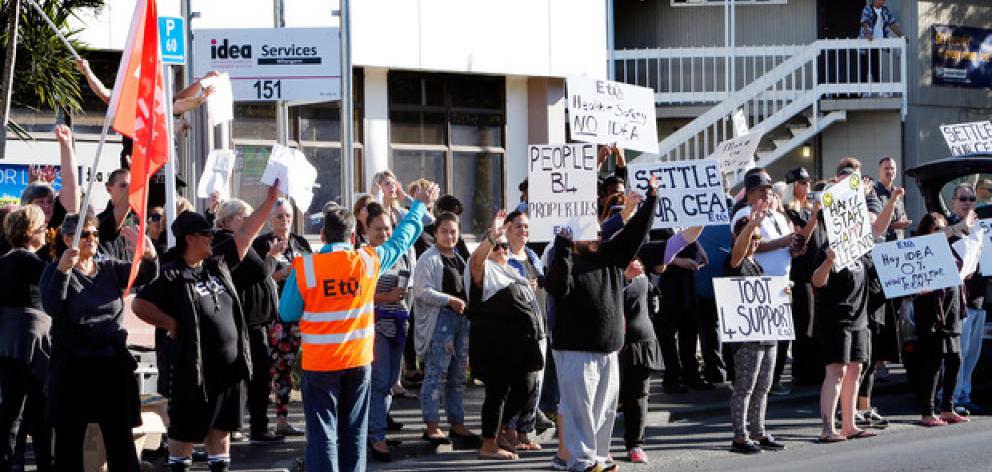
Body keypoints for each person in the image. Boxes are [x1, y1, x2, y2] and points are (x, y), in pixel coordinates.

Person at [279, 183, 436, 472]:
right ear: (353, 236)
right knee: (353, 432)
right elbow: (402, 240)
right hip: (357, 361)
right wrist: (418, 206)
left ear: (323, 235)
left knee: (323, 433)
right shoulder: (367, 261)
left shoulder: (306, 267)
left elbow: (286, 312)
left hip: (320, 364)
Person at [131, 183, 279, 472]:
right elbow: (140, 304)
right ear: (189, 238)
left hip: (227, 370)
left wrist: (269, 201)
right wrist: (170, 322)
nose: (212, 239)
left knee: (221, 430)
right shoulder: (173, 273)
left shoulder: (216, 264)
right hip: (191, 371)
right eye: (206, 235)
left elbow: (245, 234)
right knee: (184, 431)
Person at [547, 178, 657, 472]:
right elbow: (557, 285)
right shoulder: (564, 258)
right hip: (575, 349)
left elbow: (636, 232)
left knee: (604, 409)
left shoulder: (611, 255)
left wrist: (651, 199)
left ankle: (596, 456)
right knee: (578, 410)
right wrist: (563, 245)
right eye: (587, 231)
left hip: (608, 349)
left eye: (596, 229)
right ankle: (580, 462)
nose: (595, 234)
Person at [40, 213, 158, 471]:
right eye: (84, 234)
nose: (91, 239)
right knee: (69, 441)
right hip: (74, 366)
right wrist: (62, 271)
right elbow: (52, 306)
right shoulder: (55, 270)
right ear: (68, 238)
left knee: (120, 440)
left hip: (110, 364)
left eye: (94, 234)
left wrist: (149, 254)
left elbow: (145, 275)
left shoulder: (109, 267)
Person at [467, 210, 544, 461]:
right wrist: (492, 236)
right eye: (496, 247)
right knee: (497, 392)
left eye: (503, 247)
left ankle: (502, 427)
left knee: (526, 386)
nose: (501, 251)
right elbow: (476, 262)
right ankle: (488, 443)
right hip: (496, 347)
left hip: (521, 347)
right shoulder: (486, 270)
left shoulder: (512, 272)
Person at [212, 199, 286, 445]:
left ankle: (242, 426)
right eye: (243, 218)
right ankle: (255, 427)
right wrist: (272, 257)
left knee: (251, 376)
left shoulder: (239, 242)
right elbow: (260, 270)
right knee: (254, 377)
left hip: (253, 321)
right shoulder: (231, 243)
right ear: (226, 220)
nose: (248, 223)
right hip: (246, 322)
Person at [725, 209, 787, 454]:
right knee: (745, 387)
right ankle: (739, 436)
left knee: (763, 386)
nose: (755, 243)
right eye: (751, 238)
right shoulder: (734, 261)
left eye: (758, 238)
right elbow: (739, 251)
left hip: (766, 332)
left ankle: (758, 430)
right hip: (747, 337)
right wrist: (750, 226)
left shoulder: (757, 263)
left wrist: (782, 294)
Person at [413, 212, 477, 447]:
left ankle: (457, 422)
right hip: (440, 320)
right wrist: (449, 300)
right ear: (435, 233)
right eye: (444, 231)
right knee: (436, 374)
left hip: (461, 320)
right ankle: (432, 425)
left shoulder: (460, 258)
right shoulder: (428, 259)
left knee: (458, 375)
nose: (449, 236)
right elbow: (421, 291)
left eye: (453, 231)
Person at [731, 172, 797, 396]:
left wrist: (795, 247)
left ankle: (774, 379)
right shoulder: (743, 214)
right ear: (749, 194)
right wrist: (783, 242)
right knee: (759, 342)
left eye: (769, 191)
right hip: (759, 286)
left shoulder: (777, 216)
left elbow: (785, 245)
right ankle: (756, 382)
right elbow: (749, 245)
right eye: (761, 190)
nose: (766, 194)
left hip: (783, 284)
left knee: (781, 338)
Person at [252, 198, 312, 437]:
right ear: (270, 219)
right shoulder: (261, 244)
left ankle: (282, 420)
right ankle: (258, 423)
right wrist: (283, 272)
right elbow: (257, 279)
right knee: (267, 370)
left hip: (296, 318)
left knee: (287, 369)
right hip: (270, 316)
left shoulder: (301, 243)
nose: (285, 221)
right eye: (279, 216)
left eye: (288, 216)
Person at [0, 206, 53, 471]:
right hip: (32, 338)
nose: (47, 233)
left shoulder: (4, 261)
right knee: (38, 407)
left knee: (11, 408)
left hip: (7, 340)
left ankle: (12, 461)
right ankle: (43, 463)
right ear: (31, 232)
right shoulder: (33, 263)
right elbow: (54, 293)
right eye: (43, 227)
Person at [365, 202, 417, 461]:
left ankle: (379, 430)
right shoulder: (365, 256)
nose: (384, 233)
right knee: (379, 381)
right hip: (375, 326)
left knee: (388, 384)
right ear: (367, 230)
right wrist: (385, 297)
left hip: (399, 323)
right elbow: (359, 296)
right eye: (378, 229)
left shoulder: (402, 253)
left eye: (387, 228)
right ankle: (375, 437)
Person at [913, 213, 969, 427]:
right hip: (932, 315)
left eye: (944, 228)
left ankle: (947, 407)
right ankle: (927, 412)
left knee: (955, 360)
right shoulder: (921, 252)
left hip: (952, 313)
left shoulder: (951, 250)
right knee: (933, 363)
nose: (941, 232)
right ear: (926, 232)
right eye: (936, 228)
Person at [945, 184, 987, 415]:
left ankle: (964, 394)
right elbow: (933, 239)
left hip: (978, 297)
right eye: (963, 199)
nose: (968, 202)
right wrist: (960, 227)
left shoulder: (983, 227)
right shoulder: (947, 224)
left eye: (972, 199)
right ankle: (949, 396)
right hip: (957, 300)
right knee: (957, 352)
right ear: (953, 202)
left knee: (972, 354)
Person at [783, 167, 822, 386]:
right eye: (803, 183)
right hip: (801, 275)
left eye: (808, 182)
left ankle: (815, 367)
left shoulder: (809, 209)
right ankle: (802, 370)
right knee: (804, 322)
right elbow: (800, 239)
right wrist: (815, 216)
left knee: (816, 323)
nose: (807, 186)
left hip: (816, 272)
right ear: (793, 186)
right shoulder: (791, 212)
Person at [20, 125, 79, 260]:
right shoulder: (18, 229)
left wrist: (66, 145)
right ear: (28, 206)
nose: (46, 206)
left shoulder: (59, 221)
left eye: (49, 202)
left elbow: (71, 186)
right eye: (40, 202)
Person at [858, 0, 904, 91]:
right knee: (864, 68)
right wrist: (868, 33)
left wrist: (901, 35)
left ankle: (879, 90)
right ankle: (863, 92)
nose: (882, 1)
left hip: (877, 43)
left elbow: (892, 24)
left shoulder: (885, 10)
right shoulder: (868, 9)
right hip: (866, 44)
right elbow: (865, 22)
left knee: (875, 68)